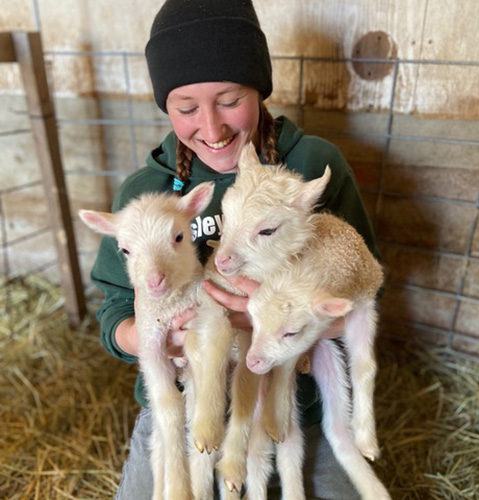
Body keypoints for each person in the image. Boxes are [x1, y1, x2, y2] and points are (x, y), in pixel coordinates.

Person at [91, 0, 379, 498]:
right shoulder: (148, 191)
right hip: (180, 406)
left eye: (229, 99)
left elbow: (358, 286)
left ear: (259, 88)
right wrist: (157, 336)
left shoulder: (311, 165)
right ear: (167, 106)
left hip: (296, 401)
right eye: (185, 108)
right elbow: (116, 310)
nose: (212, 127)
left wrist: (276, 321)